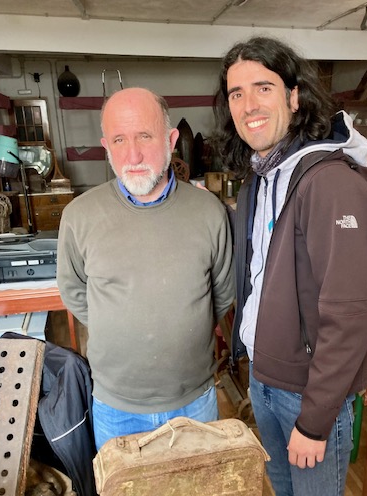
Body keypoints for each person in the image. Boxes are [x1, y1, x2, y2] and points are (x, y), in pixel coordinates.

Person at [213, 36, 367, 496]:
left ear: (294, 96)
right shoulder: (264, 176)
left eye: (263, 87)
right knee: (284, 491)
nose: (248, 104)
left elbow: (349, 317)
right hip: (266, 375)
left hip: (309, 394)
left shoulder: (330, 180)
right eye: (236, 93)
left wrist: (315, 420)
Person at [57, 87, 234, 451]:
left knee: (198, 489)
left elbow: (222, 292)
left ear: (171, 140)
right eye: (119, 140)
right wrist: (120, 326)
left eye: (145, 136)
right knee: (125, 492)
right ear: (106, 146)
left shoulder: (209, 212)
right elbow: (74, 292)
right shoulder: (79, 216)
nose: (133, 155)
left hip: (194, 401)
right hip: (116, 407)